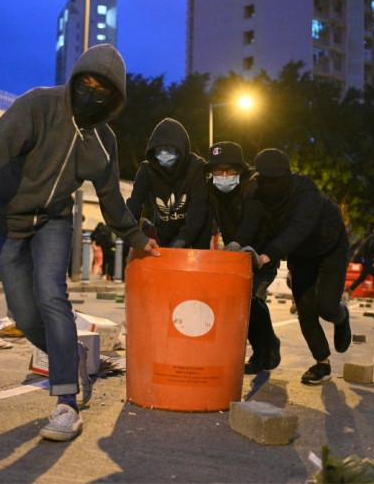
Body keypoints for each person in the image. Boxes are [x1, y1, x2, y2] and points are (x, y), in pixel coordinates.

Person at [0, 44, 159, 442]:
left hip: (54, 221)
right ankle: (70, 356)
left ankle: (65, 404)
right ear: (75, 80)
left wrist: (138, 237)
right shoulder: (37, 107)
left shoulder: (103, 141)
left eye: (101, 90)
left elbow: (111, 200)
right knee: (23, 315)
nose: (91, 93)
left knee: (52, 297)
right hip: (7, 222)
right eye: (85, 83)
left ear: (114, 99)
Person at [251, 148, 351, 385]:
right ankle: (322, 363)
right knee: (305, 311)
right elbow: (258, 225)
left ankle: (341, 314)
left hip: (331, 248)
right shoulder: (260, 194)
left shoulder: (307, 192)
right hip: (301, 255)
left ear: (285, 176)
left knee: (326, 307)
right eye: (263, 179)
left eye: (272, 179)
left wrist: (267, 255)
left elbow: (299, 229)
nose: (268, 184)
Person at [205, 141, 281, 374]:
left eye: (230, 170)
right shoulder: (211, 189)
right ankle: (263, 348)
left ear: (240, 169)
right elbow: (203, 217)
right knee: (241, 303)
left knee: (251, 299)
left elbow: (253, 217)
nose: (224, 175)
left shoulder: (252, 186)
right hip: (234, 258)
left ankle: (267, 349)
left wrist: (238, 243)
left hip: (261, 252)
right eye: (218, 170)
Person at [127, 117, 211, 249]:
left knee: (197, 265)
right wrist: (132, 234)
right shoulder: (147, 170)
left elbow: (199, 207)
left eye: (170, 149)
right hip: (165, 230)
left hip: (197, 231)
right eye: (159, 149)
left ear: (181, 149)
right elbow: (135, 203)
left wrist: (183, 238)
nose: (164, 154)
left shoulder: (196, 167)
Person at [346, 224, 374, 301]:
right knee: (363, 277)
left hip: (364, 260)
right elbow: (370, 247)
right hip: (368, 261)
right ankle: (348, 290)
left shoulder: (366, 236)